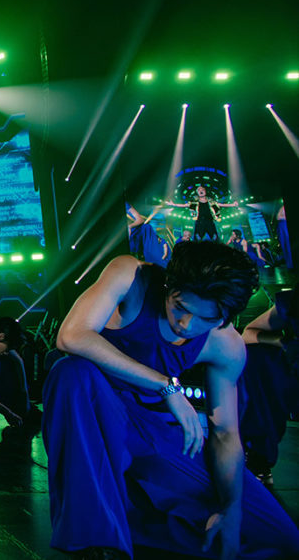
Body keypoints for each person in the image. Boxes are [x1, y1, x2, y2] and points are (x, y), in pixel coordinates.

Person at [44, 240, 299, 559]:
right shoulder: (132, 276)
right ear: (169, 285)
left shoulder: (226, 346)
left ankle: (132, 522)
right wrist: (166, 386)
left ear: (225, 317)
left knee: (279, 537)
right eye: (180, 307)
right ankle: (96, 541)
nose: (186, 324)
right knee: (71, 371)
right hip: (94, 413)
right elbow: (71, 336)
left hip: (154, 431)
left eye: (206, 318)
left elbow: (225, 433)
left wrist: (231, 509)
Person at [239, 289, 299, 487]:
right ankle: (259, 454)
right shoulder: (292, 301)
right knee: (257, 355)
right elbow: (248, 334)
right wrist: (283, 343)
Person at [165, 185, 238, 243]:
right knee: (197, 239)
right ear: (197, 193)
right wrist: (174, 204)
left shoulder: (211, 201)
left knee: (215, 239)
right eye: (199, 190)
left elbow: (221, 205)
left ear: (205, 191)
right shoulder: (194, 202)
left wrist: (233, 205)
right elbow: (184, 205)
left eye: (202, 189)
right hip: (199, 223)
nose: (201, 191)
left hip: (210, 222)